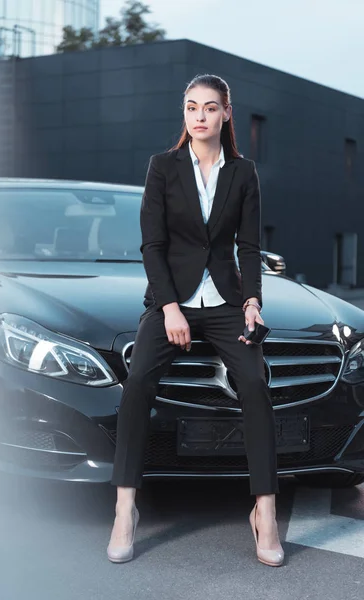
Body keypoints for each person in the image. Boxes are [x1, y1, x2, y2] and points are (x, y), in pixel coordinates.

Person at [107, 74, 284, 567]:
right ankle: (125, 510)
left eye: (210, 107)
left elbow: (248, 248)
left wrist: (252, 301)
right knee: (138, 380)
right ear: (184, 114)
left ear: (227, 112)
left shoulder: (243, 173)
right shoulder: (162, 168)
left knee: (253, 383)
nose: (200, 116)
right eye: (191, 107)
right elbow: (153, 245)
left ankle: (264, 513)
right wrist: (167, 308)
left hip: (228, 303)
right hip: (172, 301)